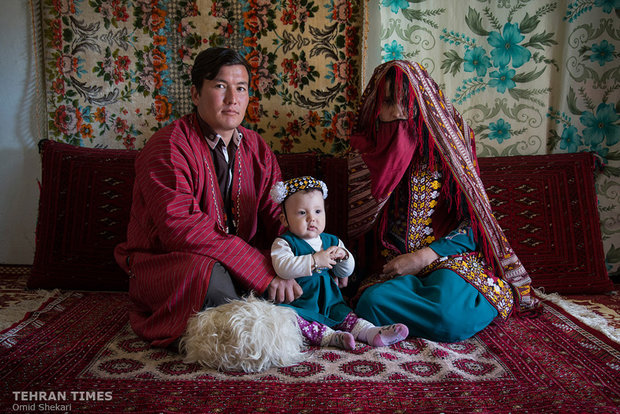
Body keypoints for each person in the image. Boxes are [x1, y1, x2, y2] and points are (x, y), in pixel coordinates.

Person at [114, 47, 302, 348]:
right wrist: (259, 269)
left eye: (241, 88)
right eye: (220, 86)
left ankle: (276, 311)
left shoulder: (256, 147)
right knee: (208, 276)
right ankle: (254, 321)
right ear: (195, 93)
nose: (232, 99)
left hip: (239, 262)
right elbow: (179, 227)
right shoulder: (168, 147)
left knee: (305, 268)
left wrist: (302, 253)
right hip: (170, 264)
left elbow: (276, 213)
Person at [347, 60, 540, 343]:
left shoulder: (448, 151)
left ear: (421, 103)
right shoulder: (364, 156)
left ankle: (445, 312)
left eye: (405, 102)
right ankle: (424, 313)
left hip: (447, 262)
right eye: (387, 102)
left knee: (449, 313)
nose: (396, 112)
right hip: (395, 269)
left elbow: (477, 225)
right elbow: (355, 232)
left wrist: (425, 256)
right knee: (370, 302)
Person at [270, 176, 409, 350]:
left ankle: (372, 333)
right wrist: (314, 260)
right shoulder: (284, 243)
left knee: (348, 317)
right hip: (301, 303)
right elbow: (282, 268)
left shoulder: (332, 241)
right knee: (288, 318)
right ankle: (329, 337)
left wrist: (344, 256)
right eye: (302, 213)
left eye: (318, 211)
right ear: (284, 219)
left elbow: (345, 272)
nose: (311, 219)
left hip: (330, 300)